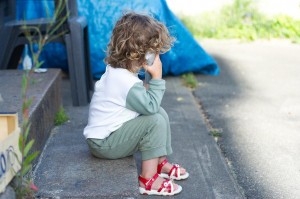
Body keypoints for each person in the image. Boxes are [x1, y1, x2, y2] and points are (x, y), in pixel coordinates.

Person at [83, 12, 189, 196]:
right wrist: (157, 76)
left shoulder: (119, 72)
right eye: (152, 51)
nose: (155, 55)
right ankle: (148, 180)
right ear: (138, 53)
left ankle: (159, 162)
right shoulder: (125, 82)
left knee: (160, 113)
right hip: (104, 143)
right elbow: (150, 107)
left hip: (110, 134)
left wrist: (149, 78)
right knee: (154, 119)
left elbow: (146, 100)